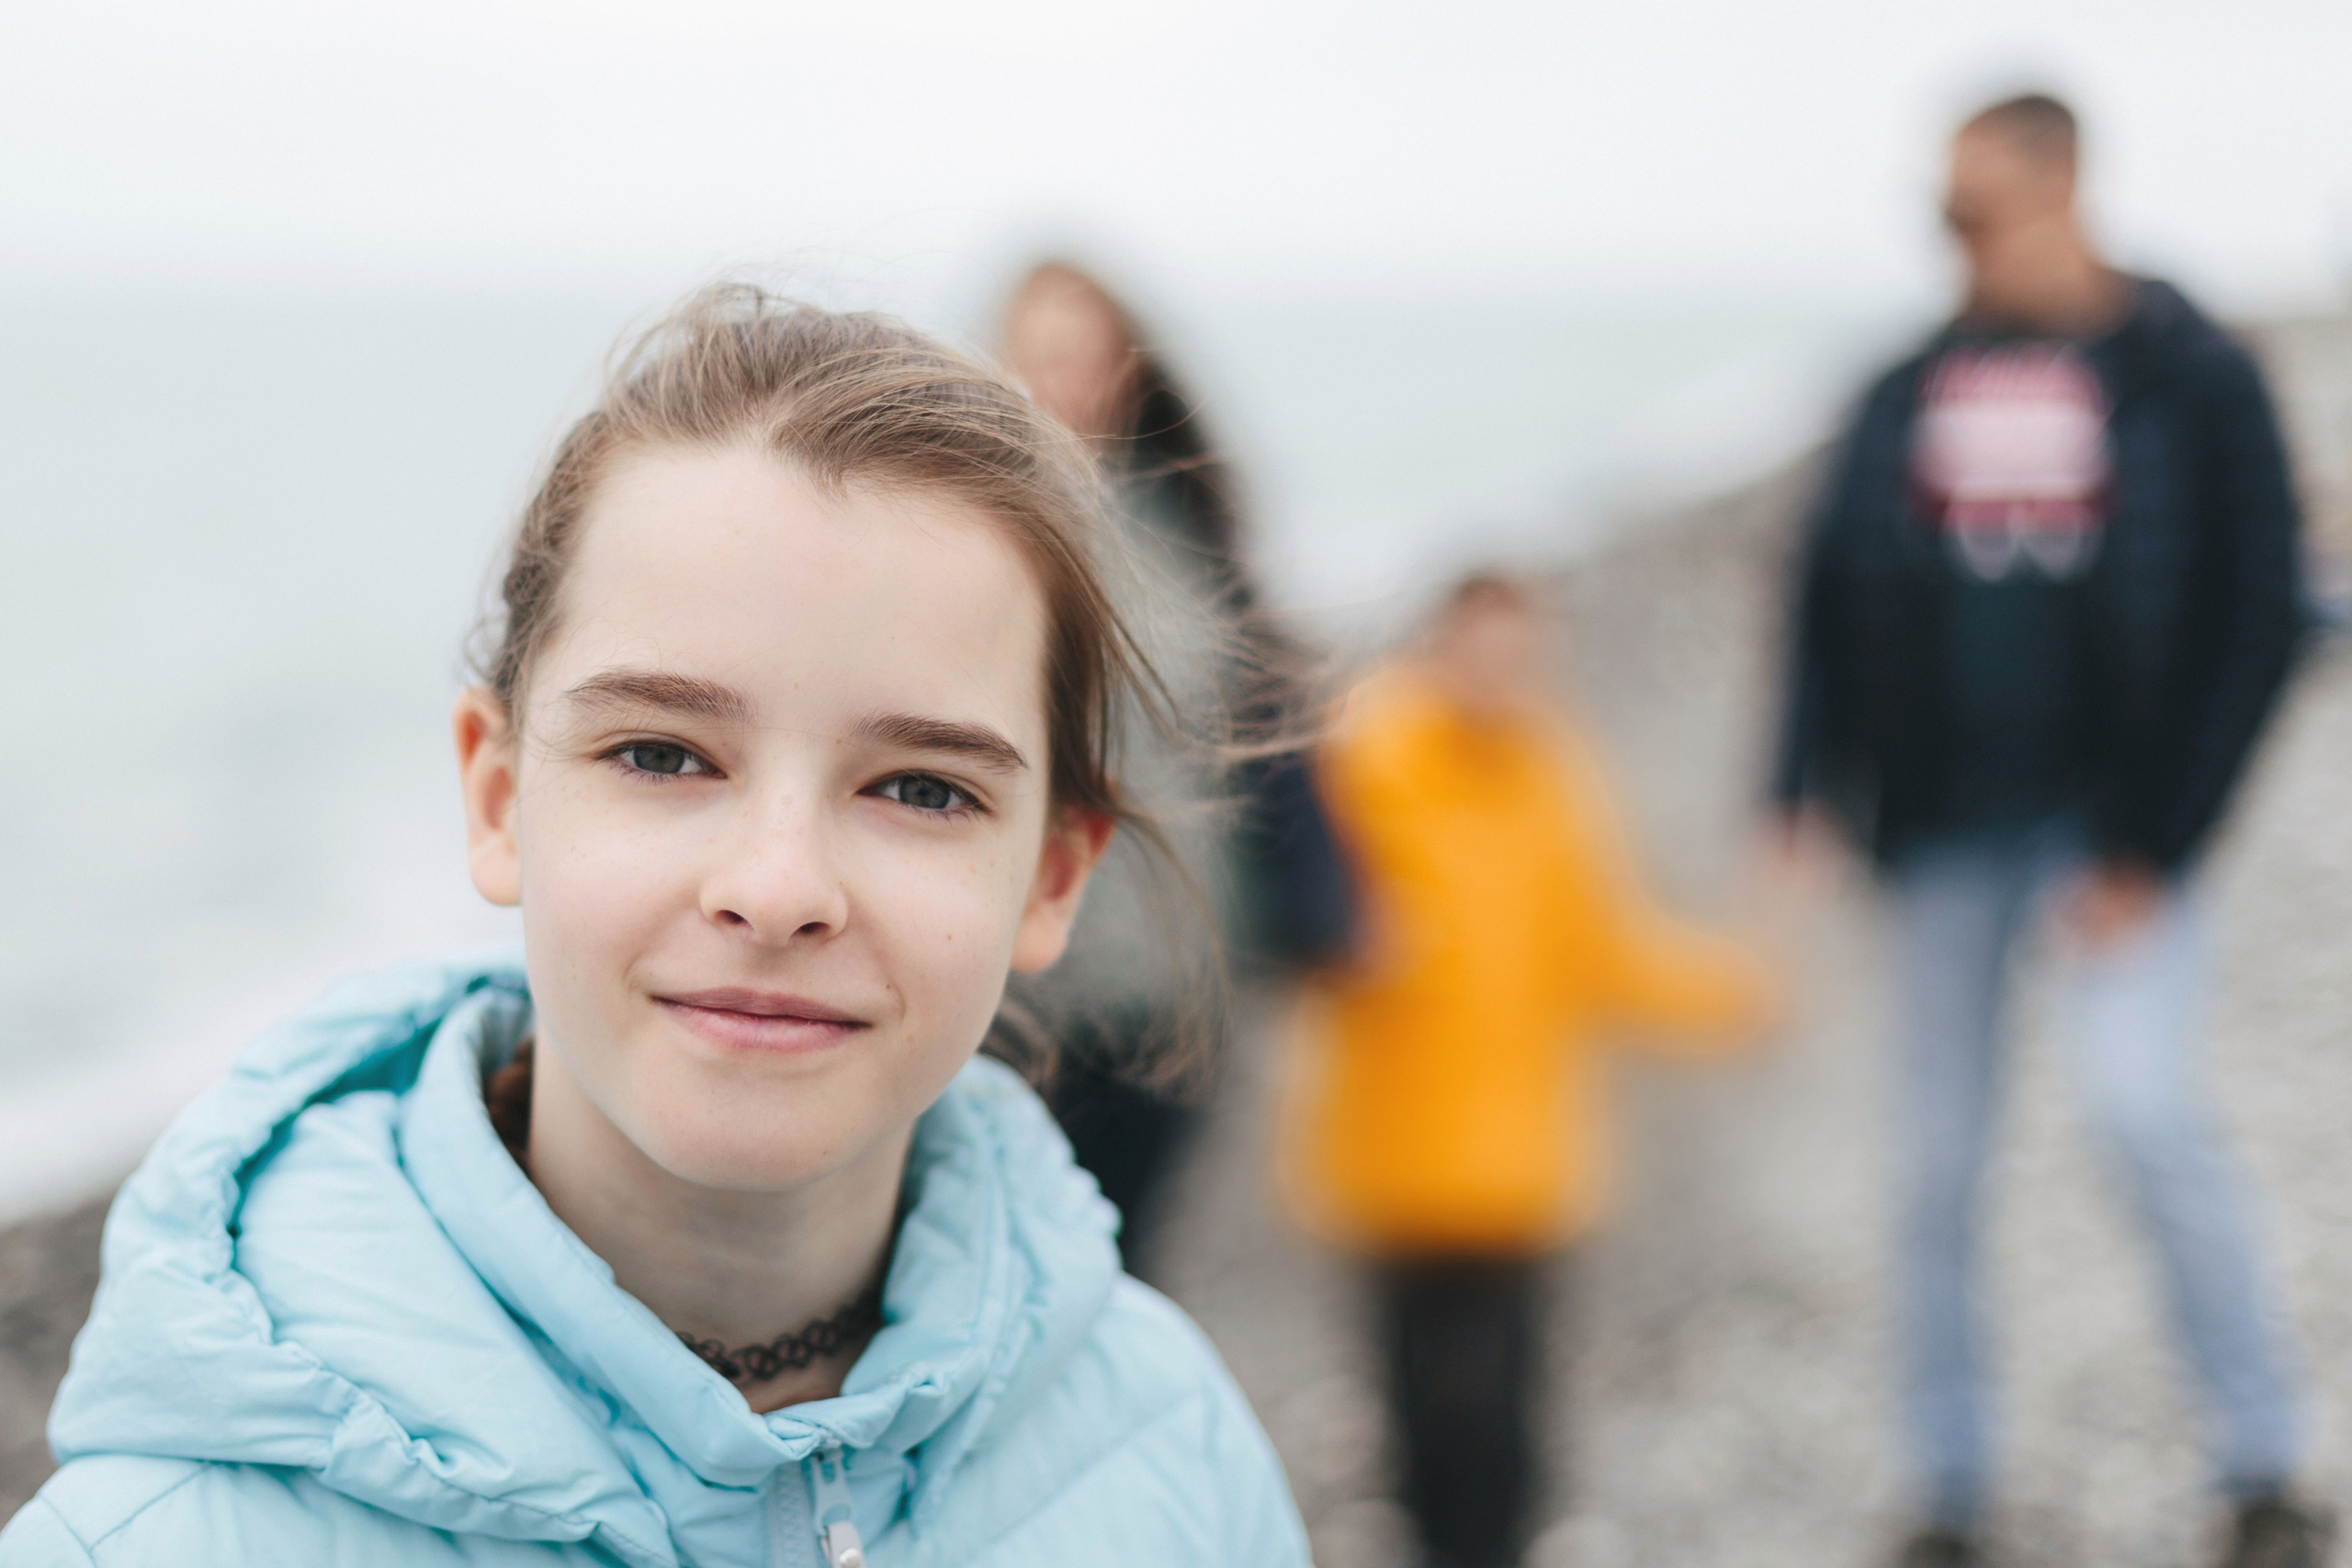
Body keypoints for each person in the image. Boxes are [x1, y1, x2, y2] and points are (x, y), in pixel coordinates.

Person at [0, 286, 1310, 1566]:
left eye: (921, 785)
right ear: (499, 794)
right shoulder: (156, 1542)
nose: (780, 884)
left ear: (1051, 877)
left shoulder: (1175, 1452)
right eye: (663, 754)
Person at [1770, 94, 2319, 1568]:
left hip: (2113, 835)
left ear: (2068, 183)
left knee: (2146, 1115)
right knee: (1933, 1166)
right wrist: (1796, 785)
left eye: (1972, 210)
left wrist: (2155, 841)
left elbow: (2261, 612)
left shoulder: (2193, 373)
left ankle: (2264, 1460)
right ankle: (1947, 1487)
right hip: (1941, 830)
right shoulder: (1905, 383)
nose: (1949, 244)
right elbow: (1826, 586)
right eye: (1936, 215)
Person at [1295, 574, 1775, 1568]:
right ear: (1438, 648)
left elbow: (1605, 947)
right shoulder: (1362, 762)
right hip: (1394, 1161)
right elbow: (1302, 916)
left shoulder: (1553, 774)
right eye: (1482, 651)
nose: (1499, 676)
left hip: (1517, 1165)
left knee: (1505, 1431)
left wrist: (1734, 994)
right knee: (1422, 1422)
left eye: (1518, 656)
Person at [999, 260, 1353, 1277]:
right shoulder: (974, 531)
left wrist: (1324, 908)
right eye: (1039, 358)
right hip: (1018, 993)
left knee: (1128, 1272)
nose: (1063, 381)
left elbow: (1264, 727)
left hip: (1176, 979)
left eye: (1083, 354)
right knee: (1016, 1268)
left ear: (1126, 369)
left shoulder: (1187, 526)